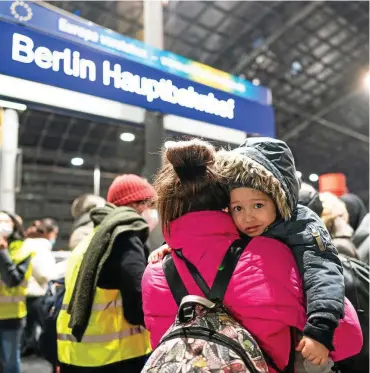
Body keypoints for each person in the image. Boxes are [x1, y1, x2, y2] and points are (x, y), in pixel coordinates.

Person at [143, 139, 362, 373]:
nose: (248, 217)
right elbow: (349, 338)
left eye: (257, 205)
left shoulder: (154, 272)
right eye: (238, 208)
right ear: (225, 203)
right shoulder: (268, 255)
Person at [57, 174, 156, 373]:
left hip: (75, 352)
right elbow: (137, 302)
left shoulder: (94, 237)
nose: (153, 212)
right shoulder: (125, 237)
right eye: (151, 205)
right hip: (114, 355)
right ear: (139, 205)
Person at [0, 211, 33, 373]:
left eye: (5, 221)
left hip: (11, 316)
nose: (2, 225)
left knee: (10, 363)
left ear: (14, 225)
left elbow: (13, 280)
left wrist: (2, 252)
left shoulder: (23, 249)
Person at [22, 218, 59, 356]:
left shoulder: (27, 244)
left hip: (25, 294)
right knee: (48, 328)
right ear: (48, 233)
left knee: (27, 330)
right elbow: (45, 274)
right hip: (38, 294)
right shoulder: (41, 247)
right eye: (55, 234)